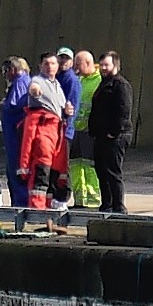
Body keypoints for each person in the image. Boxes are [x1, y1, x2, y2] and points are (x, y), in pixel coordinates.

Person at [18, 53, 68, 211]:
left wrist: (67, 110)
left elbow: (59, 107)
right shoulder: (37, 81)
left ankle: (47, 208)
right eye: (46, 64)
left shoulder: (57, 85)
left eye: (53, 63)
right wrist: (34, 91)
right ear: (40, 66)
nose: (50, 66)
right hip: (44, 130)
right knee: (42, 169)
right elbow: (33, 88)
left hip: (56, 132)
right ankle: (36, 209)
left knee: (53, 171)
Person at [88, 51, 133, 214]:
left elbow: (124, 111)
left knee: (113, 172)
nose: (103, 68)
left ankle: (118, 206)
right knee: (101, 170)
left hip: (115, 137)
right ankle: (106, 204)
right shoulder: (103, 83)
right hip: (101, 136)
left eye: (107, 65)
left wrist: (113, 133)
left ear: (115, 65)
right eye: (101, 65)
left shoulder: (120, 85)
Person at [69, 51, 102, 209]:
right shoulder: (79, 80)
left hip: (90, 132)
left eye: (78, 64)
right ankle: (80, 199)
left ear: (87, 63)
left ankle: (93, 199)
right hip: (76, 131)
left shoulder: (99, 80)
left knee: (90, 167)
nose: (75, 68)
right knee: (76, 166)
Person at [0, 57, 31, 207]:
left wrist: (3, 105)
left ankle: (20, 205)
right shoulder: (23, 82)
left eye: (5, 72)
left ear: (12, 70)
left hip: (16, 138)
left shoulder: (20, 83)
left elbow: (13, 105)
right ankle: (18, 203)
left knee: (18, 170)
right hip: (14, 136)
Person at [53, 46, 80, 208]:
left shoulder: (71, 81)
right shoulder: (56, 78)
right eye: (61, 58)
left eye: (66, 58)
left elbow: (71, 108)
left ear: (71, 62)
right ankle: (56, 194)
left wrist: (65, 128)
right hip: (54, 130)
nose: (63, 61)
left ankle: (63, 196)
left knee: (63, 164)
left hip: (64, 131)